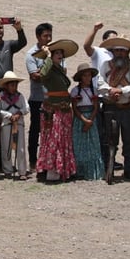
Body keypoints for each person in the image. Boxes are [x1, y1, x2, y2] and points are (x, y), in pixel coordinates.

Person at [98, 35, 130, 181]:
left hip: (128, 108)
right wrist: (111, 90)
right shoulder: (106, 65)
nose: (119, 53)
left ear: (128, 52)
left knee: (129, 140)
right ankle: (107, 168)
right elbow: (100, 83)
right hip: (110, 106)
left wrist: (121, 91)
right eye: (116, 50)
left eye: (122, 51)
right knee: (108, 140)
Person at [35, 39, 79, 182]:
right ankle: (52, 171)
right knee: (54, 140)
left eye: (61, 53)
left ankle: (63, 169)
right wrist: (47, 56)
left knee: (63, 139)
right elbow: (42, 75)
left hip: (64, 109)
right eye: (56, 53)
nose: (60, 55)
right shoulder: (47, 69)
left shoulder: (59, 69)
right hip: (54, 110)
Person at [26, 22, 53, 171]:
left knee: (52, 131)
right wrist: (49, 66)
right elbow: (35, 76)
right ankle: (32, 161)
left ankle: (49, 160)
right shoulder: (31, 54)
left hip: (53, 98)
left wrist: (44, 71)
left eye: (50, 35)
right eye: (45, 36)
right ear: (38, 37)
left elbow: (63, 70)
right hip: (37, 98)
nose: (48, 38)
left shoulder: (56, 51)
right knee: (35, 130)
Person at [71, 63, 105, 181]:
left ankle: (93, 172)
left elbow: (96, 107)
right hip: (80, 119)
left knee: (93, 145)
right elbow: (74, 108)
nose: (87, 78)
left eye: (89, 76)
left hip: (92, 118)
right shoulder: (75, 91)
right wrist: (84, 120)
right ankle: (79, 171)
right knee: (78, 144)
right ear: (80, 77)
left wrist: (90, 120)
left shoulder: (94, 90)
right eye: (85, 76)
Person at [0, 71, 30, 179]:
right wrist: (9, 115)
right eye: (11, 84)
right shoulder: (1, 97)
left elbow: (26, 108)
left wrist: (19, 114)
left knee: (20, 148)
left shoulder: (20, 96)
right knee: (6, 147)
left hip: (18, 124)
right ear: (6, 85)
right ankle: (7, 170)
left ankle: (22, 171)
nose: (14, 86)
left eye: (15, 84)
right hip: (6, 124)